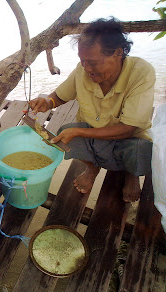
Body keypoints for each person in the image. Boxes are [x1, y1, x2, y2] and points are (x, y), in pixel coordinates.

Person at [29, 17, 155, 203]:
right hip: (92, 138)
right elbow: (61, 96)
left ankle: (131, 175)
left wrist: (79, 131)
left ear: (117, 53)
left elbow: (129, 128)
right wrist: (47, 102)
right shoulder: (83, 70)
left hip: (127, 139)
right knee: (65, 134)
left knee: (142, 148)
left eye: (93, 63)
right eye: (82, 61)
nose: (86, 68)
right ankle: (92, 168)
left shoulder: (141, 72)